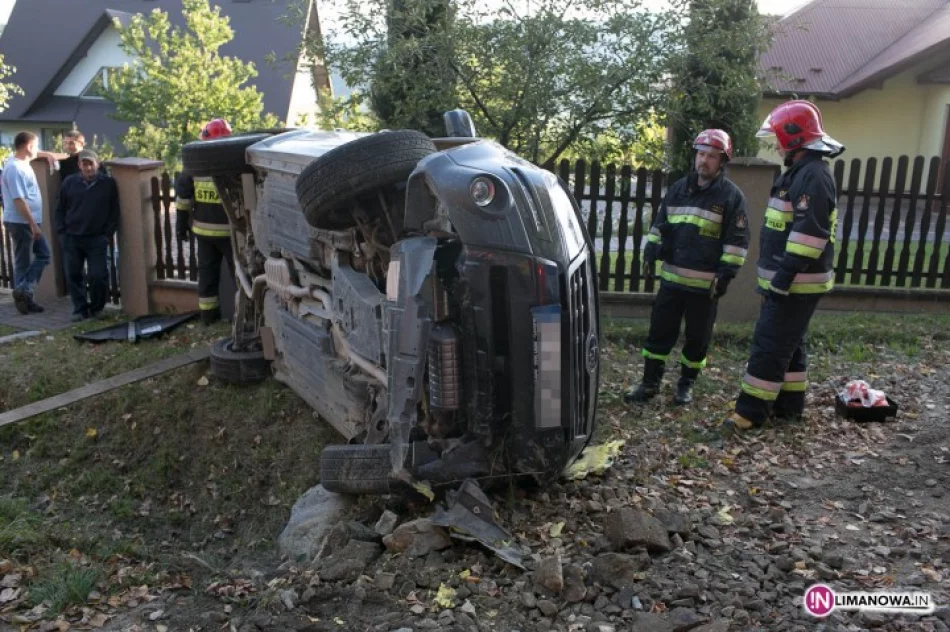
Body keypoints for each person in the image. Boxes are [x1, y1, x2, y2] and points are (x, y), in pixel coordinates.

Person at [721, 100, 844, 435]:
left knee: (770, 343)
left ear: (793, 137)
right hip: (793, 282)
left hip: (794, 283)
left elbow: (808, 237)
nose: (775, 144)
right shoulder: (803, 172)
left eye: (777, 136)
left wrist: (781, 281)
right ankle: (789, 406)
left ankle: (750, 412)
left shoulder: (812, 176)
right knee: (790, 344)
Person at [625, 129, 750, 405]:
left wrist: (726, 276)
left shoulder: (731, 197)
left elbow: (737, 242)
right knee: (659, 333)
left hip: (705, 289)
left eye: (711, 157)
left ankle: (686, 385)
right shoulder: (679, 188)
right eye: (701, 154)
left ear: (722, 162)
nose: (703, 161)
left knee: (697, 340)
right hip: (671, 281)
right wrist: (650, 252)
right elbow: (660, 224)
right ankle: (649, 384)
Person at [175, 118, 235, 325]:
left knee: (207, 276)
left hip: (204, 233)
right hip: (230, 234)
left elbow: (183, 199)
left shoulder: (194, 165)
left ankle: (208, 318)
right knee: (240, 276)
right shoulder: (234, 164)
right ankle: (241, 317)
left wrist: (180, 226)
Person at [55, 149, 119, 321]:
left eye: (91, 164)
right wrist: (62, 232)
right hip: (72, 238)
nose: (88, 167)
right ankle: (79, 309)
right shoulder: (69, 182)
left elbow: (114, 211)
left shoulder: (108, 184)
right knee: (74, 275)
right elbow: (60, 208)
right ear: (79, 166)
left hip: (96, 238)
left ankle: (97, 308)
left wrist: (107, 234)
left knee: (98, 275)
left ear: (97, 164)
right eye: (84, 164)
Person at [2, 131, 60, 314]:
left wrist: (48, 154)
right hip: (22, 223)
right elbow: (19, 200)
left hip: (26, 222)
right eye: (35, 146)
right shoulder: (15, 169)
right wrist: (33, 224)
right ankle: (25, 289)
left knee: (23, 263)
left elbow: (35, 152)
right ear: (28, 147)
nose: (37, 149)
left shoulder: (19, 161)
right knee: (43, 255)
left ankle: (25, 300)